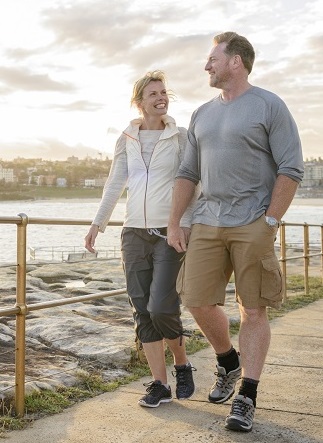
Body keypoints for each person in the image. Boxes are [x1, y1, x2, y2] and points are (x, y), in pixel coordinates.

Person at [167, 32, 304, 432]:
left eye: (213, 58)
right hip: (208, 220)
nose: (206, 65)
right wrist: (177, 221)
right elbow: (187, 173)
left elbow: (291, 168)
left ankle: (247, 395)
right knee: (194, 298)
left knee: (254, 308)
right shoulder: (202, 113)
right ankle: (228, 361)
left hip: (252, 222)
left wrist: (271, 222)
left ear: (236, 62)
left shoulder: (269, 105)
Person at [84, 70, 196, 408]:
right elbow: (115, 183)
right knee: (142, 311)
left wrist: (184, 223)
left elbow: (193, 182)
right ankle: (159, 384)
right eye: (153, 94)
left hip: (168, 232)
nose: (161, 97)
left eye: (164, 92)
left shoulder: (181, 137)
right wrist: (97, 224)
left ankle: (182, 362)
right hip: (133, 233)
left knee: (161, 306)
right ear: (139, 103)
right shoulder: (126, 138)